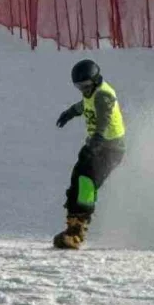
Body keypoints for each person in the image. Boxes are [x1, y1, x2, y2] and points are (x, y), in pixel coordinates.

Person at [53, 60, 127, 249]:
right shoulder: (92, 93)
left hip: (110, 148)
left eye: (85, 86)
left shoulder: (103, 95)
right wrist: (71, 112)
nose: (82, 90)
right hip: (96, 145)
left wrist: (98, 139)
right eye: (78, 87)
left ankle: (78, 232)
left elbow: (104, 118)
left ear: (94, 80)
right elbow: (85, 104)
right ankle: (72, 227)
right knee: (77, 179)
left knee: (87, 182)